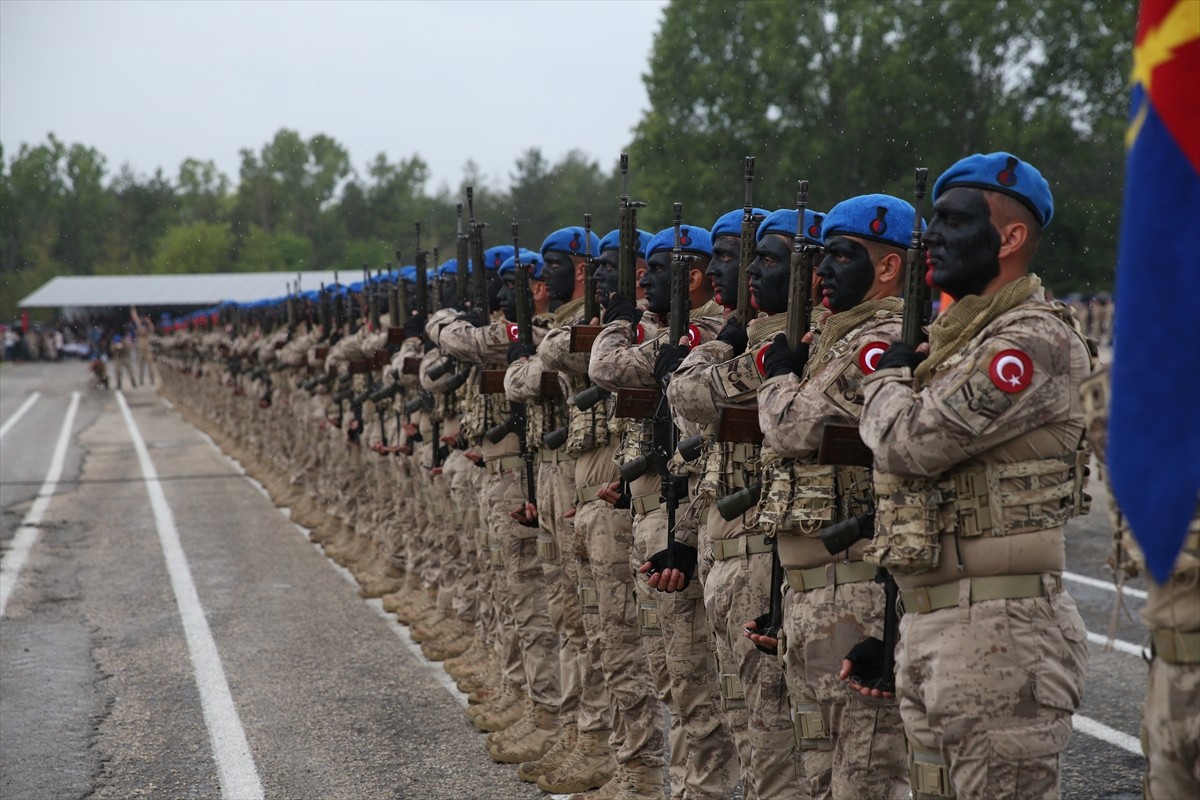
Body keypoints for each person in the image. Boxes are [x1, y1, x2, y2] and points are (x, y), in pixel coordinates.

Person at [854, 152, 1094, 799]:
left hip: (1000, 632)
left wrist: (883, 381)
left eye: (953, 221)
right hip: (937, 623)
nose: (930, 237)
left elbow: (910, 443)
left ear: (1011, 238)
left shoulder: (1030, 340)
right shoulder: (959, 342)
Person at [750, 198, 915, 799]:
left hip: (856, 590)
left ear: (890, 268)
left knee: (863, 777)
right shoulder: (832, 339)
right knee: (820, 774)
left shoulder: (879, 343)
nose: (822, 271)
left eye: (842, 256)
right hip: (813, 590)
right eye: (821, 256)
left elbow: (794, 427)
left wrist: (777, 377)